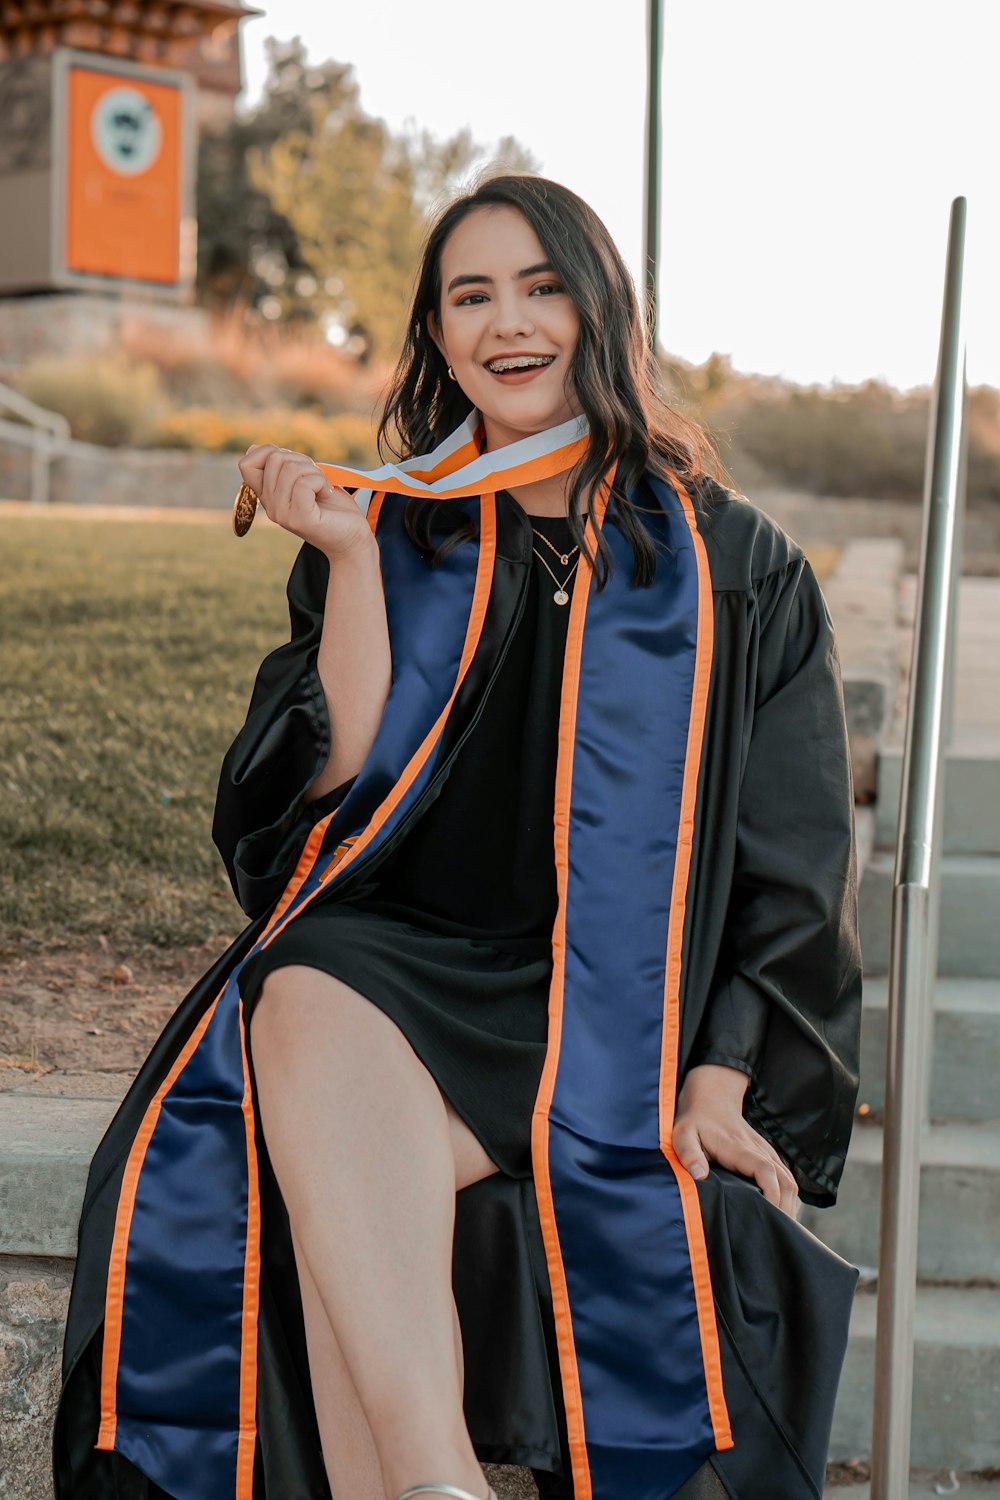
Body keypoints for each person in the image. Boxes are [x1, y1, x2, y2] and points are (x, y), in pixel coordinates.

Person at [54, 174, 863, 1500]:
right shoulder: (397, 525)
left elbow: (794, 860)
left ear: (604, 312)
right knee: (303, 983)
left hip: (599, 1003)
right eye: (470, 296)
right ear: (433, 337)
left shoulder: (731, 564)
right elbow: (332, 795)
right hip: (394, 971)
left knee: (341, 1217)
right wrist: (355, 560)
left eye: (542, 286)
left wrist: (724, 1082)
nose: (510, 322)